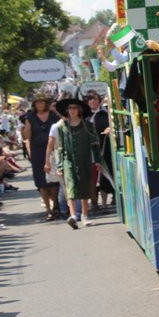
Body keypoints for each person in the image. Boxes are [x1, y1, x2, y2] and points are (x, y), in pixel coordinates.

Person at [47, 98, 100, 229]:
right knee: (70, 187)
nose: (72, 110)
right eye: (69, 108)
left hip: (85, 159)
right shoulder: (62, 127)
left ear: (79, 110)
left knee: (84, 186)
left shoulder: (88, 125)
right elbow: (61, 148)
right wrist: (59, 166)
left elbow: (95, 144)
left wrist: (98, 160)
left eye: (74, 108)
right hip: (68, 160)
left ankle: (85, 215)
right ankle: (73, 216)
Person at [22, 95, 60, 221]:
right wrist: (26, 128)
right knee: (41, 182)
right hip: (37, 151)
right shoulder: (31, 117)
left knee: (54, 179)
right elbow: (27, 136)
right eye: (37, 103)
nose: (40, 105)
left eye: (42, 102)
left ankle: (56, 205)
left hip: (52, 150)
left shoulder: (53, 115)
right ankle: (48, 210)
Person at [86, 92, 114, 212]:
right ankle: (93, 202)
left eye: (94, 99)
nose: (92, 101)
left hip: (104, 147)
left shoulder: (105, 113)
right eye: (90, 99)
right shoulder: (84, 115)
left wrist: (110, 129)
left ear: (99, 100)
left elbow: (113, 124)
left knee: (104, 175)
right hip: (88, 150)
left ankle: (104, 203)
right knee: (91, 176)